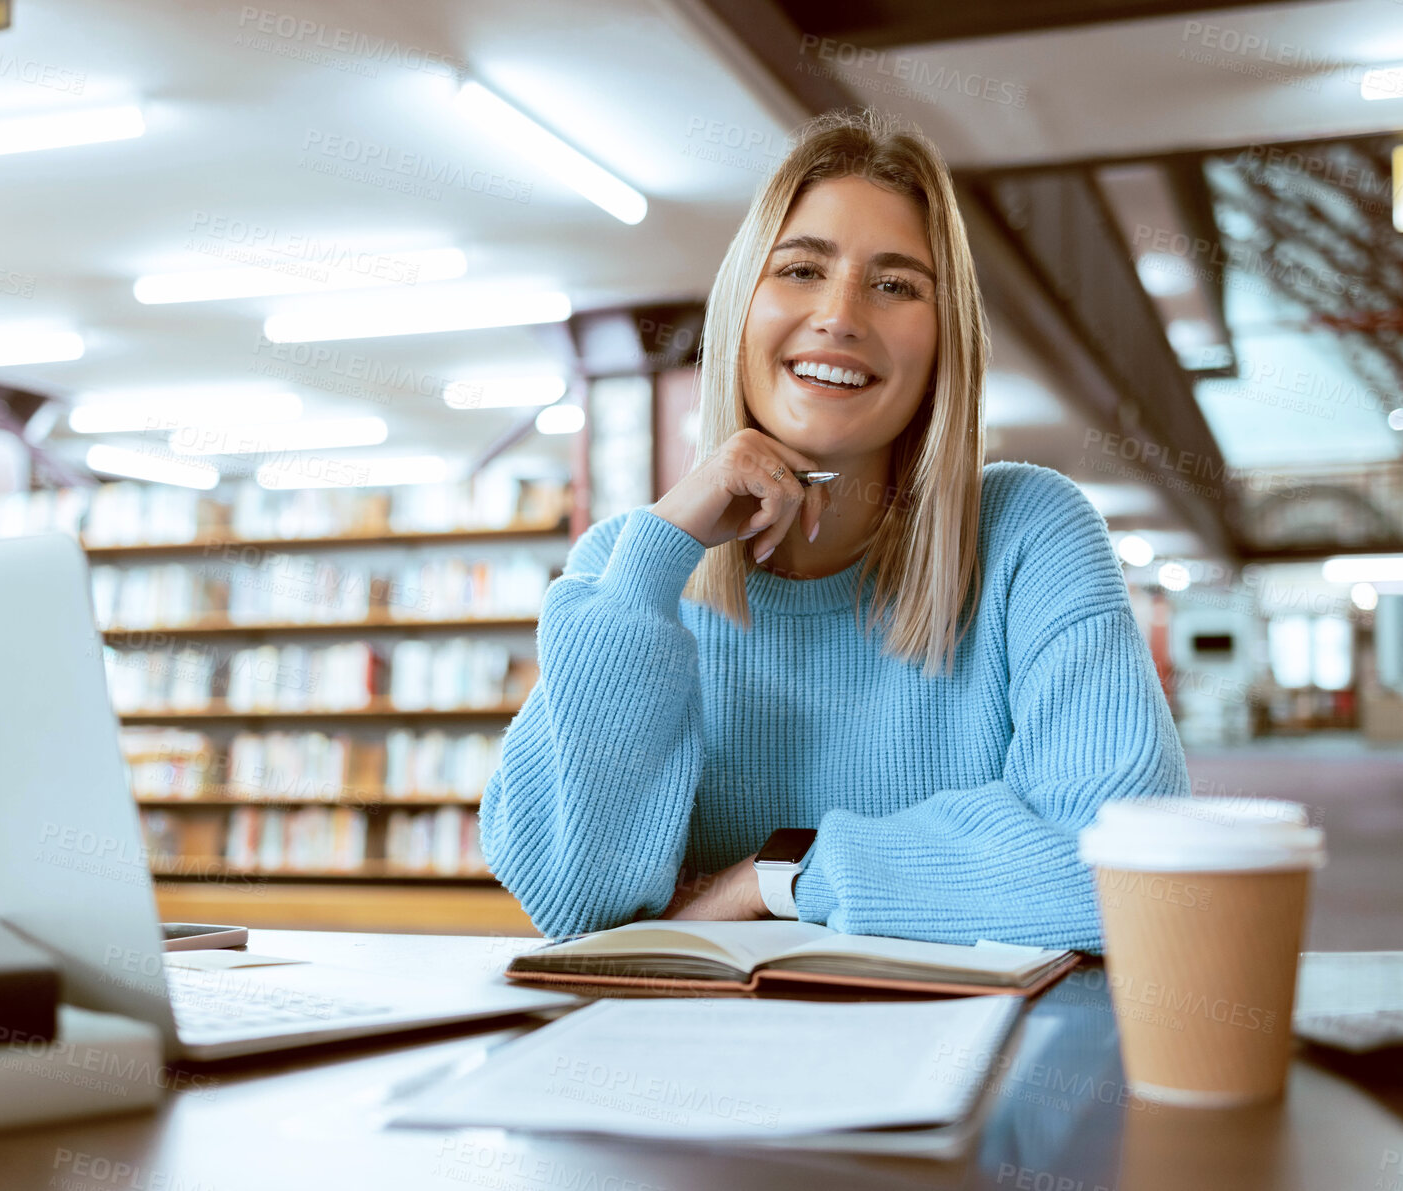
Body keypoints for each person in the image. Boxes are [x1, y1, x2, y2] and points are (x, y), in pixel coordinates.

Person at [478, 107, 1189, 949]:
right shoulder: (629, 574)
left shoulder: (1030, 536)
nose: (841, 314)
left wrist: (774, 880)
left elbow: (1129, 870)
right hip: (697, 1062)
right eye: (801, 269)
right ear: (742, 308)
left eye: (895, 284)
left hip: (973, 1064)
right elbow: (574, 907)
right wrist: (655, 554)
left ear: (944, 344)